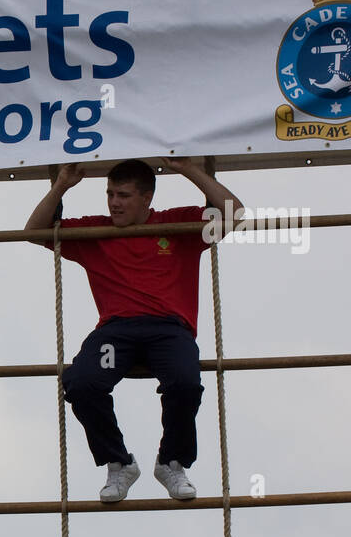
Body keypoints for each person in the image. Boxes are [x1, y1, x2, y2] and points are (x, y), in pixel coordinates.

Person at [24, 158, 243, 502]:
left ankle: (172, 461)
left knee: (185, 382)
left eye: (123, 195)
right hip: (117, 334)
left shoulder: (178, 223)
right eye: (110, 194)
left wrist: (189, 169)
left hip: (169, 330)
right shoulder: (96, 230)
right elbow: (33, 231)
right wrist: (62, 184)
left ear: (147, 199)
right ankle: (119, 463)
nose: (114, 202)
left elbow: (235, 214)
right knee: (82, 382)